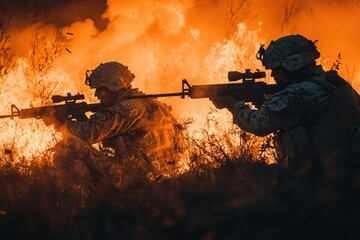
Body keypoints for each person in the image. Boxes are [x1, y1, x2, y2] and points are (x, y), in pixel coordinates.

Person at [210, 34, 360, 188]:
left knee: (243, 175)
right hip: (349, 173)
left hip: (319, 179)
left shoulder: (298, 93)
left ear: (291, 65)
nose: (273, 75)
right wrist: (264, 103)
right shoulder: (337, 83)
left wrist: (233, 106)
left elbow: (258, 125)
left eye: (276, 70)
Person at [50, 61, 181, 192]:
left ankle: (81, 202)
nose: (96, 95)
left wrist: (63, 122)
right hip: (159, 174)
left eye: (101, 89)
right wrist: (80, 117)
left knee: (69, 145)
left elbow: (87, 134)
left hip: (135, 178)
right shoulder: (148, 104)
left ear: (115, 86)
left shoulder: (126, 109)